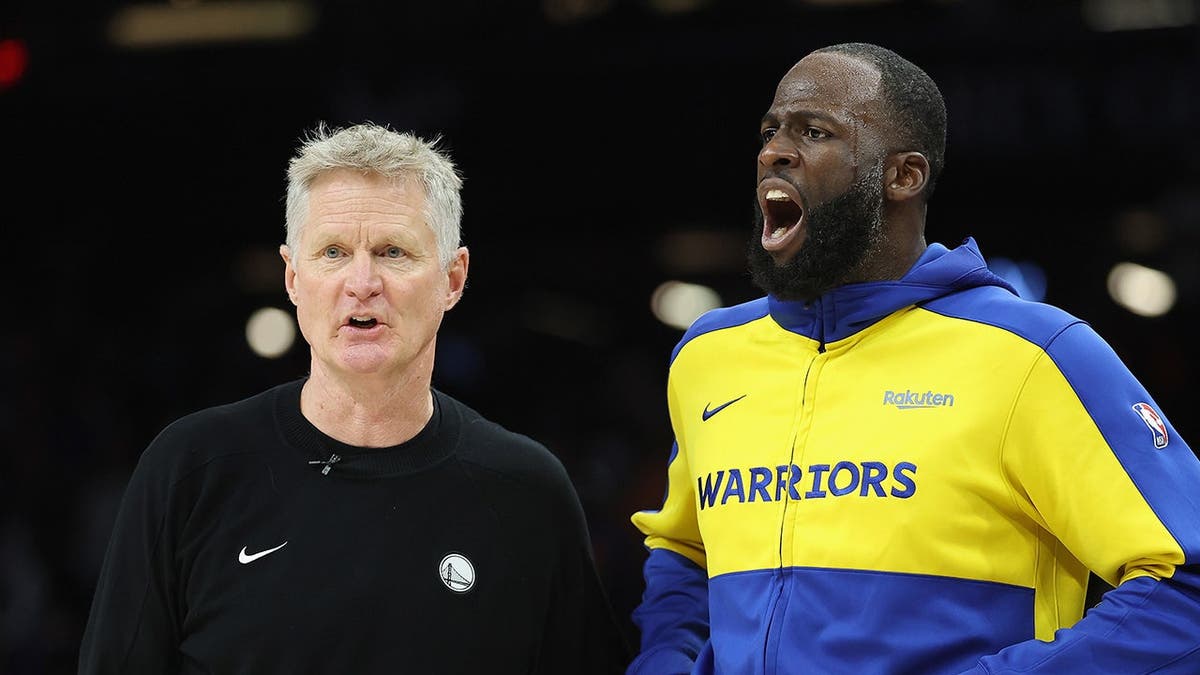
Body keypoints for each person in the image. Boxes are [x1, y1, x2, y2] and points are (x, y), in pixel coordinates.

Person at [627, 43, 1200, 674]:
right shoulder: (710, 355)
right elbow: (684, 549)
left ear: (905, 176)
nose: (773, 152)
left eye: (815, 132)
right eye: (770, 131)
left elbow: (1186, 582)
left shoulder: (1033, 354)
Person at [78, 122, 630, 674]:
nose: (362, 282)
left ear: (453, 279)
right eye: (334, 252)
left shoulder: (528, 492)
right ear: (293, 277)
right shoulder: (192, 470)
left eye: (393, 251)